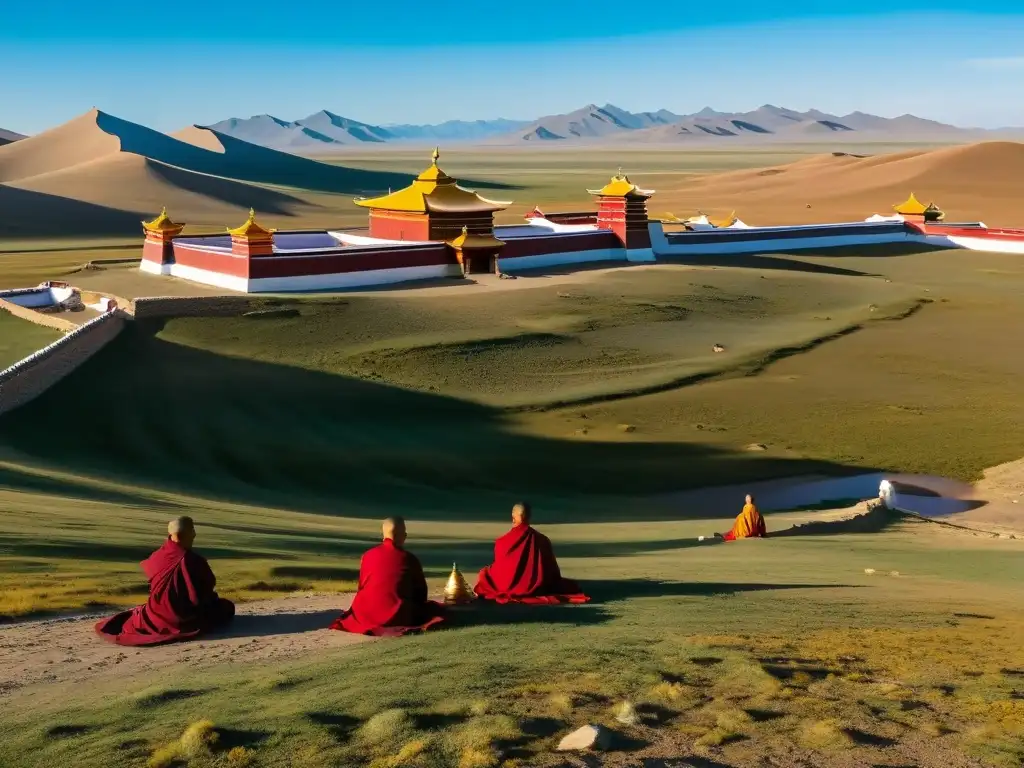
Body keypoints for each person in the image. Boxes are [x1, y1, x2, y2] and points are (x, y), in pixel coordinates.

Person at [95, 516, 235, 646]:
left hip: (156, 614)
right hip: (185, 618)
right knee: (226, 607)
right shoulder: (193, 560)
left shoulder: (159, 555)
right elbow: (205, 589)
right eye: (192, 531)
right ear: (189, 533)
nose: (194, 535)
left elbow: (151, 572)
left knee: (142, 613)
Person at [330, 516, 446, 636]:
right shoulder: (409, 558)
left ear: (384, 534)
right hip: (399, 616)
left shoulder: (367, 556)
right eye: (404, 533)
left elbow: (362, 587)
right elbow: (421, 593)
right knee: (434, 610)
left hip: (368, 614)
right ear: (402, 536)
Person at [474, 502, 589, 604]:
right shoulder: (543, 540)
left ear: (513, 517)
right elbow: (552, 572)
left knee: (484, 574)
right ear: (529, 517)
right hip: (539, 588)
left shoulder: (502, 542)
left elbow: (501, 570)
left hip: (507, 587)